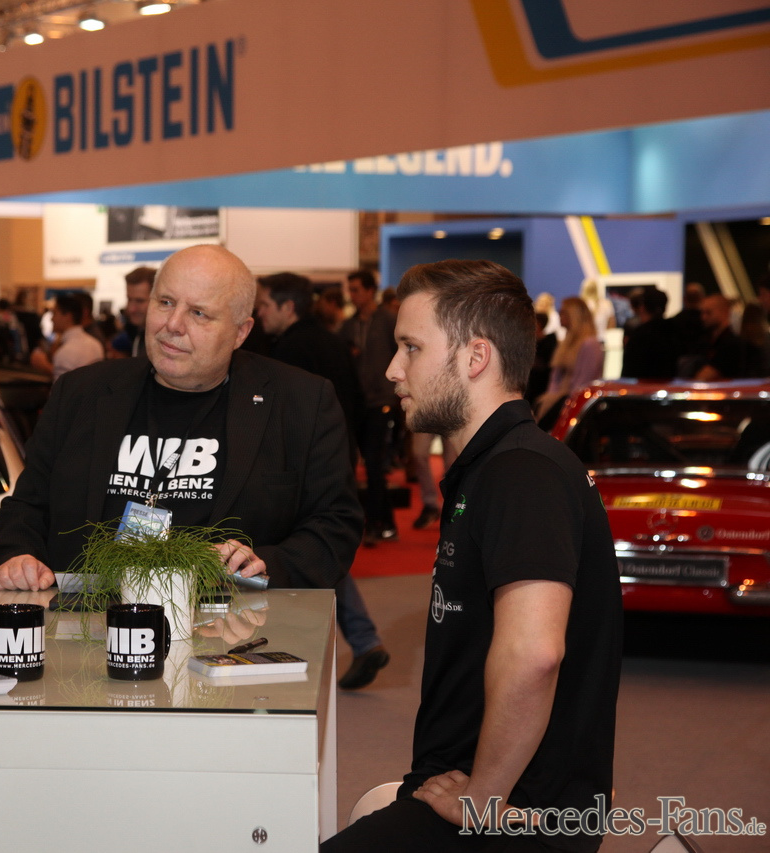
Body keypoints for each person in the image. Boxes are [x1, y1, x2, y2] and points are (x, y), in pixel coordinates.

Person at [323, 259, 621, 853]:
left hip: (509, 819)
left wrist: (484, 795)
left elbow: (535, 652)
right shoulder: (494, 468)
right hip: (477, 797)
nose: (392, 368)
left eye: (411, 348)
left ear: (475, 357)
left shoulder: (521, 473)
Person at [0, 244, 362, 594]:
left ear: (240, 332)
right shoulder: (80, 394)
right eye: (165, 302)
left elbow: (335, 524)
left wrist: (265, 563)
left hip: (231, 627)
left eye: (199, 313)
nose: (173, 324)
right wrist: (19, 555)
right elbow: (26, 506)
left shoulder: (299, 402)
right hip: (91, 624)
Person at [255, 272, 385, 690]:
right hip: (338, 456)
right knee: (323, 550)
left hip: (301, 470)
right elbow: (357, 400)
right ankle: (364, 640)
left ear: (287, 306)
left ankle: (355, 643)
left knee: (311, 553)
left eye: (265, 305)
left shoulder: (288, 352)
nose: (259, 314)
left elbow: (285, 422)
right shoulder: (334, 340)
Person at [341, 270, 399, 546]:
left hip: (382, 401)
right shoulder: (348, 325)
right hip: (357, 403)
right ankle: (377, 523)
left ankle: (380, 523)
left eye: (355, 289)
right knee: (362, 465)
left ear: (369, 290)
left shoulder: (388, 321)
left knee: (375, 464)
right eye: (350, 290)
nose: (351, 295)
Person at [534, 297, 603, 431]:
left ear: (575, 315)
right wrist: (550, 400)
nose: (560, 316)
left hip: (573, 405)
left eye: (564, 312)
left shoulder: (589, 344)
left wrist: (559, 403)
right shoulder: (566, 342)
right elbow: (555, 377)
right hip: (559, 401)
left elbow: (583, 383)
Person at [29, 292, 103, 379]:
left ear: (68, 316)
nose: (52, 319)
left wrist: (44, 365)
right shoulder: (95, 344)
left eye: (54, 313)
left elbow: (62, 386)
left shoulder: (67, 351)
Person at [619, 286, 680, 380]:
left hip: (642, 387)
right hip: (669, 385)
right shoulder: (673, 330)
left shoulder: (639, 335)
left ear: (642, 307)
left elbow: (628, 372)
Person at [110, 266, 155, 357]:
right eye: (129, 299)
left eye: (140, 301)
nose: (131, 309)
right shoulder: (135, 333)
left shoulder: (166, 344)